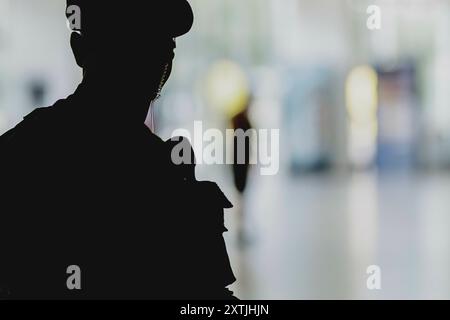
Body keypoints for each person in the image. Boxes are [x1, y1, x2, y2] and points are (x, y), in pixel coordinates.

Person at [0, 0, 236, 299]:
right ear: (80, 49)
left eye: (161, 43)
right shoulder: (21, 158)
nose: (151, 58)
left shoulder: (20, 152)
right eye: (126, 40)